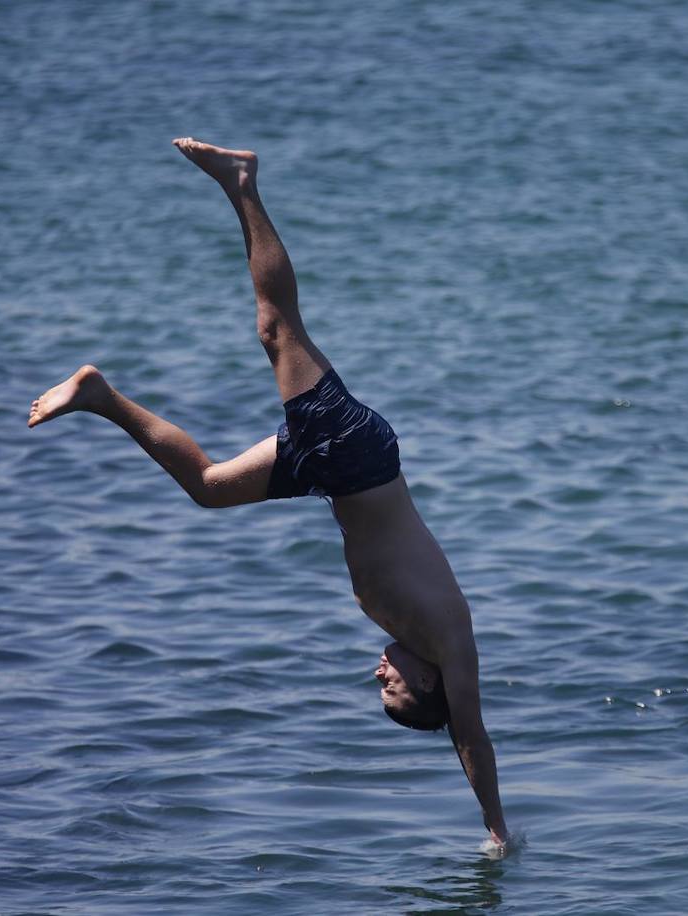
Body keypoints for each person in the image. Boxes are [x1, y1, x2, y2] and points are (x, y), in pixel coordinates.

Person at [27, 138, 508, 848]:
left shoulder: (417, 638)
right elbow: (471, 737)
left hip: (332, 476)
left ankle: (98, 394)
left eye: (383, 685)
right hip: (355, 460)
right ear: (432, 684)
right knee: (276, 326)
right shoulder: (452, 643)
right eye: (392, 686)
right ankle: (242, 181)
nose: (379, 672)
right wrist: (495, 827)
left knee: (210, 488)